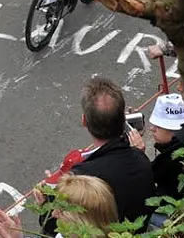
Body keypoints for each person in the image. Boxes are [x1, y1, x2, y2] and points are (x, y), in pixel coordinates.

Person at [66, 77, 155, 226]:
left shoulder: (81, 177)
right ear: (123, 120)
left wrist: (44, 204)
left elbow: (59, 224)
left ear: (84, 121)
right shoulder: (140, 158)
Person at [148, 94, 184, 202]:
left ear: (174, 130)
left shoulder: (170, 158)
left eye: (158, 126)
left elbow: (149, 175)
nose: (152, 129)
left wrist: (137, 153)